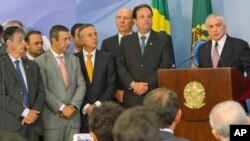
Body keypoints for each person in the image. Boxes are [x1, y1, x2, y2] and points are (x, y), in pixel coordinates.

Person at [116, 4, 173, 108]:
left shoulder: (163, 39)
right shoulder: (125, 41)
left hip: (155, 96)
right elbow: (120, 66)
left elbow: (165, 65)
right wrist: (133, 84)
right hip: (132, 97)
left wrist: (147, 85)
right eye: (142, 17)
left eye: (149, 16)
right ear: (135, 21)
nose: (146, 19)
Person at [35, 25, 86, 141]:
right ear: (53, 40)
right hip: (53, 122)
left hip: (73, 120)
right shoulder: (39, 62)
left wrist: (72, 106)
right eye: (65, 39)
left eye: (69, 39)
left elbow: (81, 85)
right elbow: (43, 89)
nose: (68, 42)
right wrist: (62, 108)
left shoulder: (74, 59)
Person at [0, 26, 45, 141]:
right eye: (20, 40)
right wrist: (25, 112)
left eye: (24, 40)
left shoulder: (33, 65)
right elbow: (1, 96)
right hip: (12, 128)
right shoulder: (1, 65)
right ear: (9, 43)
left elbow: (41, 91)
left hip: (34, 125)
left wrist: (33, 113)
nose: (24, 43)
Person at [75, 24, 116, 132]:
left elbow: (111, 85)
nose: (94, 37)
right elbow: (72, 87)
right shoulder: (73, 60)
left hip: (103, 115)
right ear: (81, 40)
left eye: (95, 34)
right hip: (81, 116)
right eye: (90, 35)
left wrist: (97, 105)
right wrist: (86, 107)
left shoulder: (107, 58)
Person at [101, 7, 134, 104]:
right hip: (114, 97)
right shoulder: (107, 43)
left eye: (126, 18)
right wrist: (114, 91)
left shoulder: (140, 41)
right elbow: (104, 72)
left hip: (136, 95)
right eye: (119, 17)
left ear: (133, 22)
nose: (122, 21)